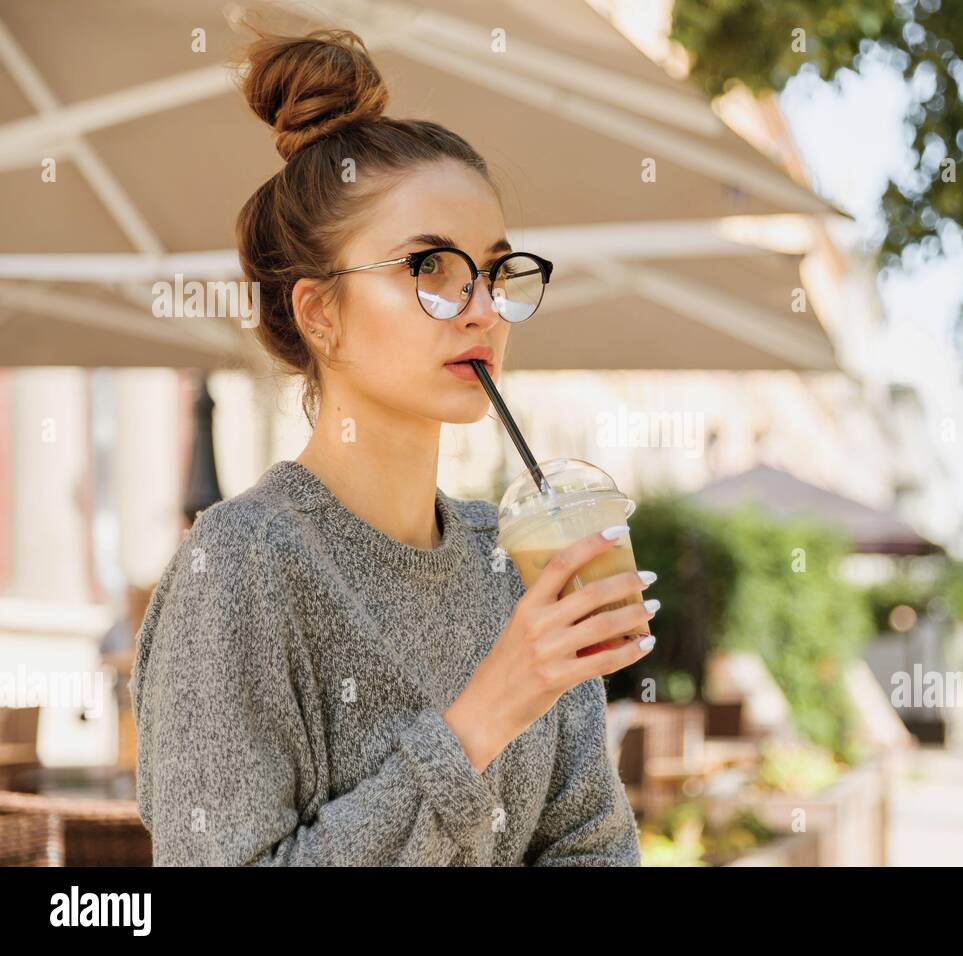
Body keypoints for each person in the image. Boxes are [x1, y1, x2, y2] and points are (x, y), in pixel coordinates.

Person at [129, 28, 657, 866]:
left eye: (490, 271)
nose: (480, 307)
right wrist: (487, 712)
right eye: (428, 268)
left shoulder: (509, 555)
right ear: (320, 314)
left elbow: (592, 846)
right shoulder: (239, 567)